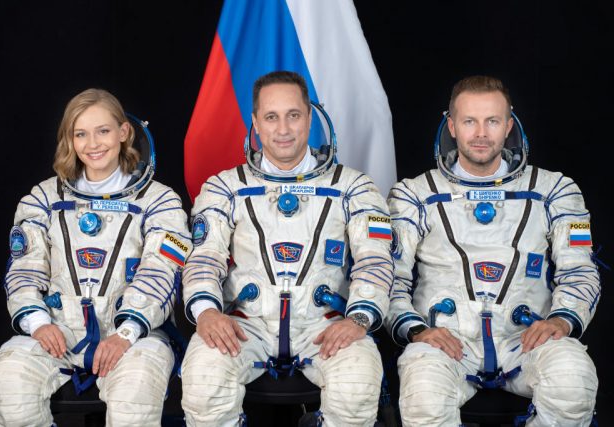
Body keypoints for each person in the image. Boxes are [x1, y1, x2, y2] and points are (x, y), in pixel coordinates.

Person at [180, 70, 393, 427]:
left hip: (324, 323)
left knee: (357, 387)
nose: (283, 129)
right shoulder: (224, 187)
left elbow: (375, 259)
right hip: (246, 323)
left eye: (293, 115)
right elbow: (205, 256)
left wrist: (358, 318)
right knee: (204, 382)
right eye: (271, 117)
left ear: (310, 118)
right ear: (256, 123)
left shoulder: (352, 186)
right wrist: (207, 312)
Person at [385, 75, 600, 426]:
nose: (481, 133)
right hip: (447, 341)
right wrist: (416, 330)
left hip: (526, 338)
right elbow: (389, 277)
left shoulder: (554, 190)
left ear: (508, 125)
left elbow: (579, 270)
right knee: (424, 396)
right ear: (452, 126)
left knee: (572, 378)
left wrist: (562, 319)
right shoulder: (414, 195)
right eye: (470, 121)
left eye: (492, 121)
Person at [0, 88, 191, 427]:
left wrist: (126, 332)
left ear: (124, 132)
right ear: (70, 139)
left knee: (135, 397)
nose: (93, 144)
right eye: (80, 133)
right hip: (58, 329)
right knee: (8, 382)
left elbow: (162, 271)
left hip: (133, 333)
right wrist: (37, 323)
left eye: (103, 131)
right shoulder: (42, 198)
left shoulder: (160, 201)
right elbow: (24, 268)